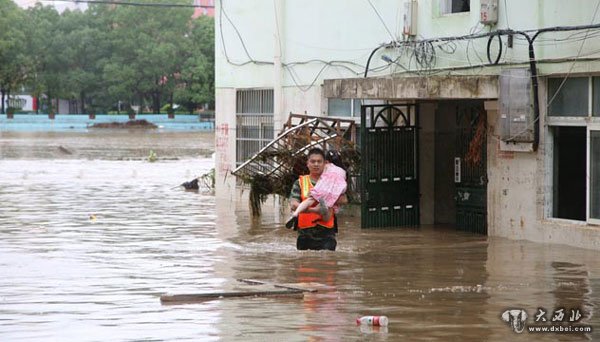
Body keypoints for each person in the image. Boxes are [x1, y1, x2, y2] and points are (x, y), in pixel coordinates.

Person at [287, 148, 347, 251]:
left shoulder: (332, 181)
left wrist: (327, 198)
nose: (316, 164)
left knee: (328, 263)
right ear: (307, 164)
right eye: (313, 161)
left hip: (327, 232)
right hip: (305, 233)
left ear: (325, 164)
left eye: (319, 161)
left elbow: (344, 200)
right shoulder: (300, 182)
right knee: (304, 264)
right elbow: (293, 203)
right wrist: (312, 210)